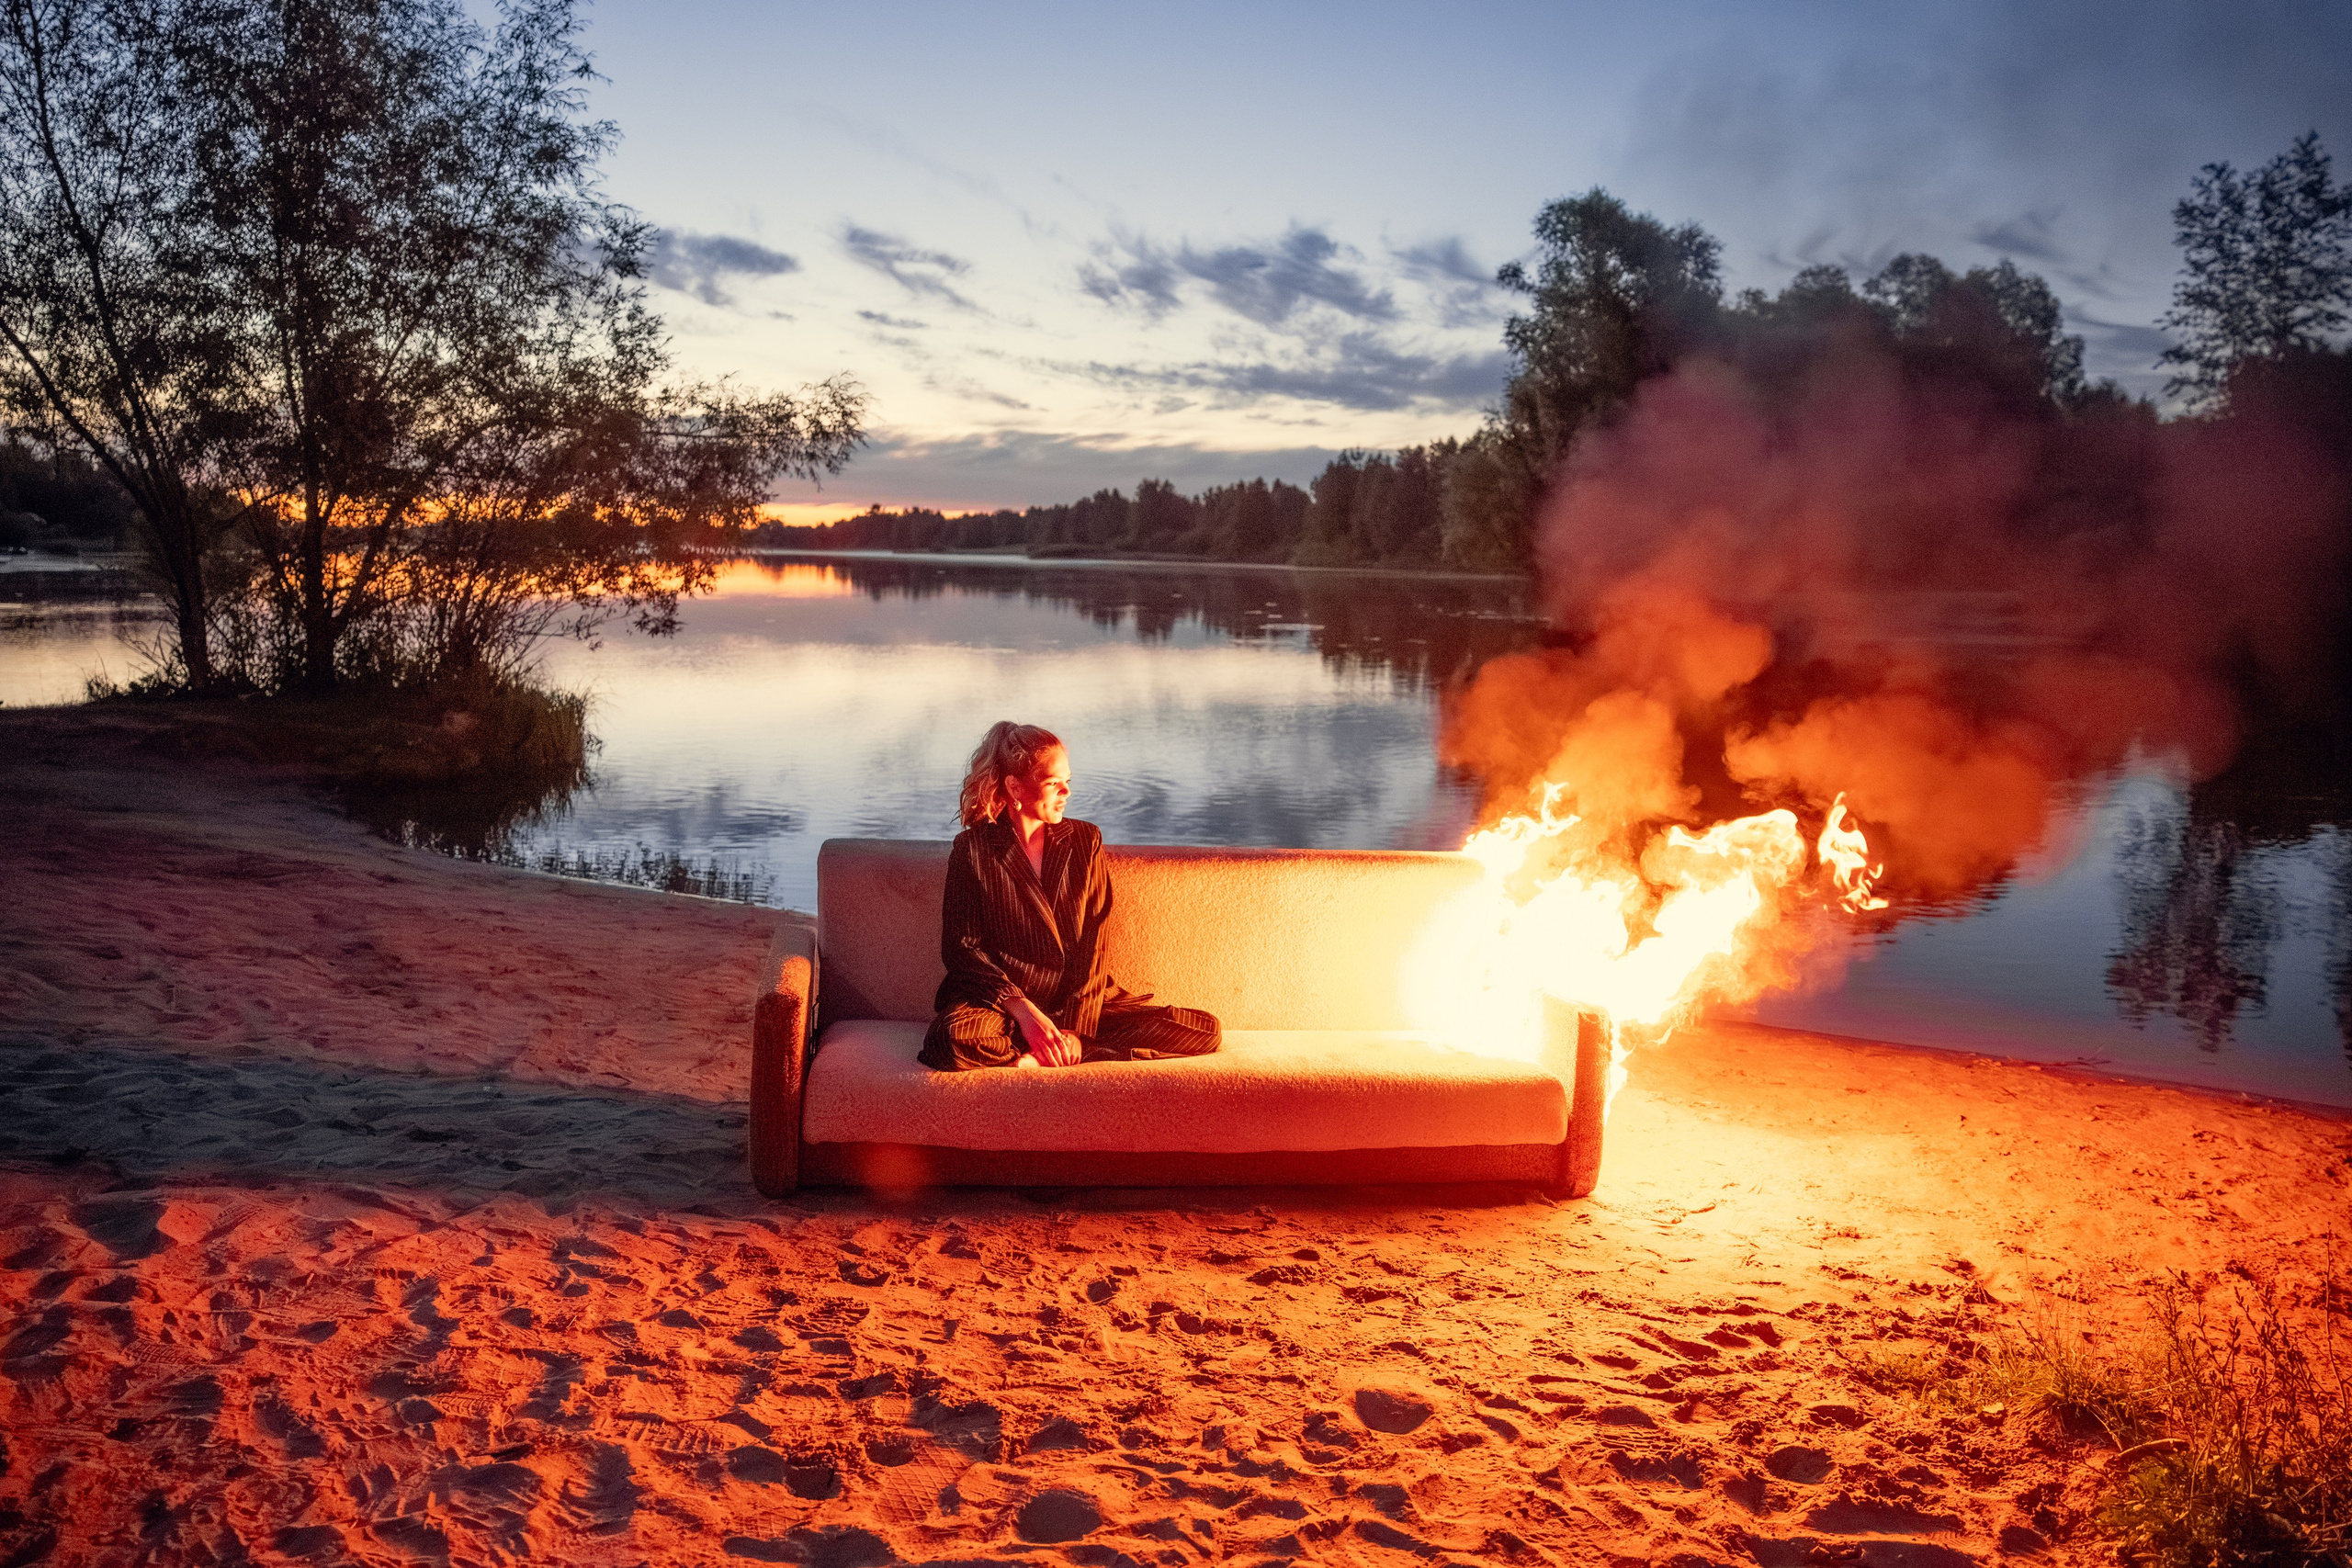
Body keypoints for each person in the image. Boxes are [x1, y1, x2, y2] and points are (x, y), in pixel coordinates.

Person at [919, 721, 1222, 1072]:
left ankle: (1063, 1047)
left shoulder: (1084, 840)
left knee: (1201, 1029)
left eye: (1068, 781)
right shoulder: (973, 849)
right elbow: (962, 948)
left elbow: (1095, 944)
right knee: (949, 1040)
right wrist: (1023, 1010)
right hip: (1002, 1005)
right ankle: (1038, 1041)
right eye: (1052, 783)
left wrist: (1076, 1030)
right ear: (1015, 787)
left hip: (1077, 1001)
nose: (1066, 791)